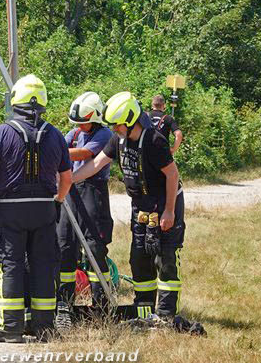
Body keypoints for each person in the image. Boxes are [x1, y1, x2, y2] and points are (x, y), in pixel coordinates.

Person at [73, 92, 185, 321]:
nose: (114, 129)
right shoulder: (119, 140)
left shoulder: (154, 141)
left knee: (164, 260)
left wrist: (169, 211)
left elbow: (172, 175)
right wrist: (69, 179)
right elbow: (95, 164)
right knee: (139, 258)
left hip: (164, 203)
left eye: (117, 125)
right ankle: (145, 309)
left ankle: (165, 315)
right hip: (141, 207)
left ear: (131, 120)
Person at [0, 74, 72, 343]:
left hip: (10, 209)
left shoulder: (1, 133)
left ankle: (12, 329)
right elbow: (66, 178)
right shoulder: (55, 134)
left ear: (15, 102)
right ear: (42, 103)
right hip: (44, 208)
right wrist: (57, 202)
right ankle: (44, 327)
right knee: (43, 266)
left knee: (11, 266)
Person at [56, 92, 114, 327]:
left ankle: (101, 303)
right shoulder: (76, 132)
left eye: (83, 122)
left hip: (93, 192)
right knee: (64, 244)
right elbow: (64, 142)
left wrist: (54, 152)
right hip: (71, 191)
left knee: (94, 247)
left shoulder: (104, 135)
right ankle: (64, 303)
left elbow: (85, 154)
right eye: (77, 124)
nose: (79, 127)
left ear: (96, 118)